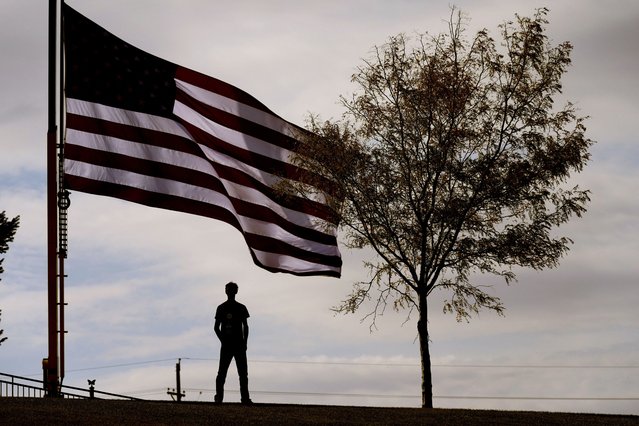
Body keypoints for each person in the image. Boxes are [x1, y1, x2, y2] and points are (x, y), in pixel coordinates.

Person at [213, 281, 252, 404]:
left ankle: (245, 398)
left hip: (239, 345)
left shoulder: (241, 308)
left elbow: (246, 326)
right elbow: (216, 327)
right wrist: (223, 341)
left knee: (242, 373)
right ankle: (219, 397)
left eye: (231, 289)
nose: (229, 291)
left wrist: (245, 342)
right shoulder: (221, 307)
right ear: (226, 291)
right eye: (228, 289)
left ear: (236, 291)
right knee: (222, 373)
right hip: (228, 345)